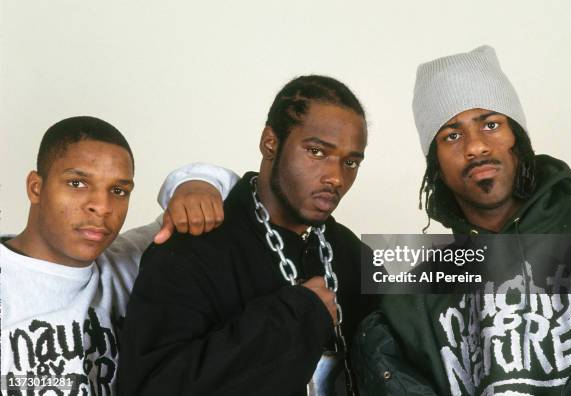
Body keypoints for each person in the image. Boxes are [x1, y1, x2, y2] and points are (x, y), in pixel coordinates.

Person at [353, 46, 571, 395]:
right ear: (436, 166)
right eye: (452, 135)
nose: (475, 146)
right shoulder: (416, 293)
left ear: (518, 138)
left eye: (491, 124)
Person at [117, 75, 376, 395]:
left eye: (351, 162)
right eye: (316, 152)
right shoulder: (190, 248)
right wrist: (294, 317)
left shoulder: (350, 251)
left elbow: (434, 288)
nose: (336, 177)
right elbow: (151, 387)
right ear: (271, 142)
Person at [0, 116, 238, 395]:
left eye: (118, 191)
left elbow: (228, 198)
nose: (102, 207)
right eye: (77, 183)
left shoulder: (129, 261)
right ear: (36, 188)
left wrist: (193, 185)